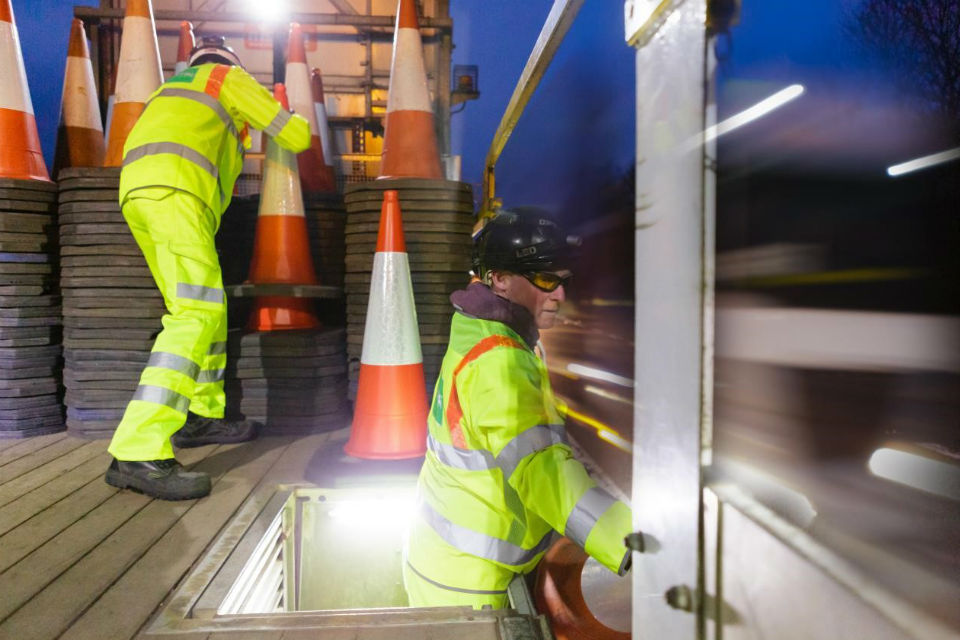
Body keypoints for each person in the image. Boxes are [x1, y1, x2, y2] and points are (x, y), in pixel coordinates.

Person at [104, 37, 311, 501]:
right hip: (175, 193)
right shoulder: (226, 80)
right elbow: (295, 136)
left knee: (206, 308)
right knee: (194, 315)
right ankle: (138, 447)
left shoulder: (171, 91)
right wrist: (283, 109)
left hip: (145, 195)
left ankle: (201, 415)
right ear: (230, 64)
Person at [403, 209, 633, 609]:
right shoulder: (500, 362)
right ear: (500, 279)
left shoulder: (479, 332)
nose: (559, 294)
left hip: (446, 563)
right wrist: (632, 543)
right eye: (545, 279)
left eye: (563, 281)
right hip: (471, 588)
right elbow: (543, 468)